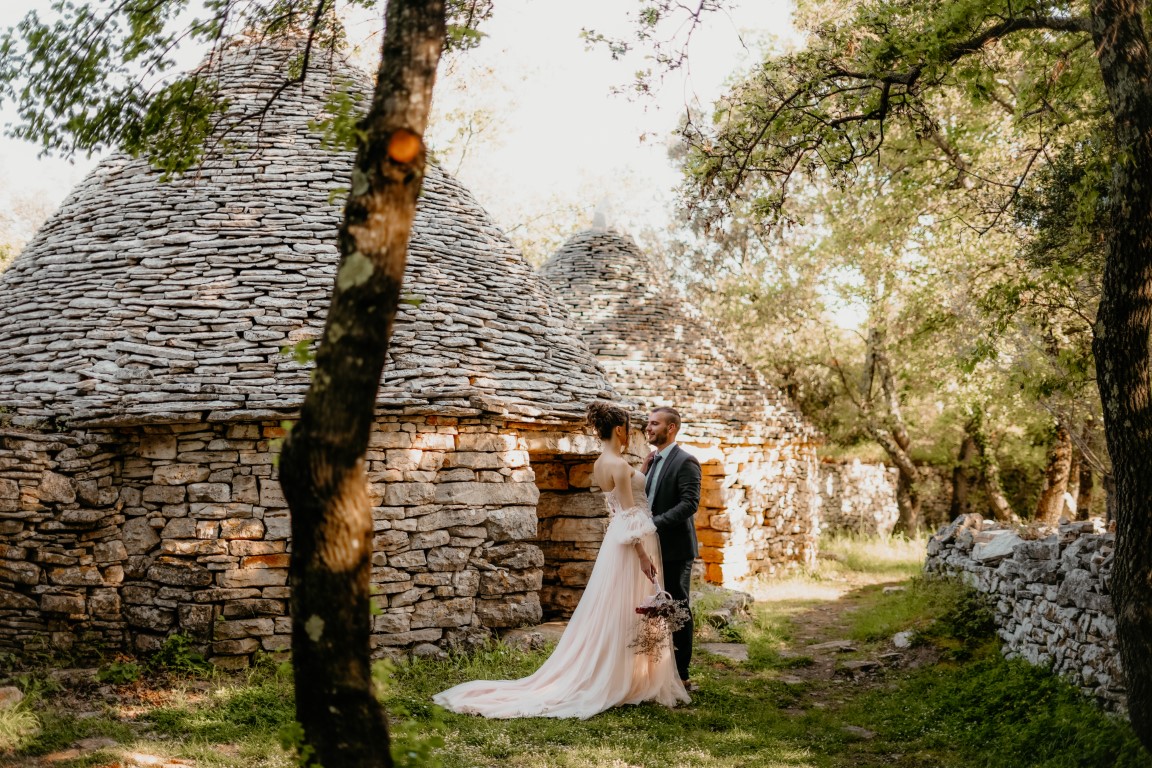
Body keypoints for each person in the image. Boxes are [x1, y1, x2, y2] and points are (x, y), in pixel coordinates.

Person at [432, 401, 690, 719]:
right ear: (620, 430)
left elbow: (618, 511)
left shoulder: (601, 463)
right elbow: (627, 515)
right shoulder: (621, 467)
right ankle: (621, 678)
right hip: (632, 544)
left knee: (620, 609)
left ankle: (629, 672)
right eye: (630, 430)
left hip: (617, 544)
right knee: (629, 607)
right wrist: (642, 556)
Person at [643, 406, 701, 690]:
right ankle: (656, 668)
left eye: (655, 423)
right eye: (649, 423)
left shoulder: (686, 461)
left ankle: (682, 674)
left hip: (676, 548)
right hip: (651, 546)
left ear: (671, 428)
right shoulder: (652, 460)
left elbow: (690, 504)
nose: (649, 428)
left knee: (678, 608)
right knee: (654, 607)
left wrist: (655, 523)